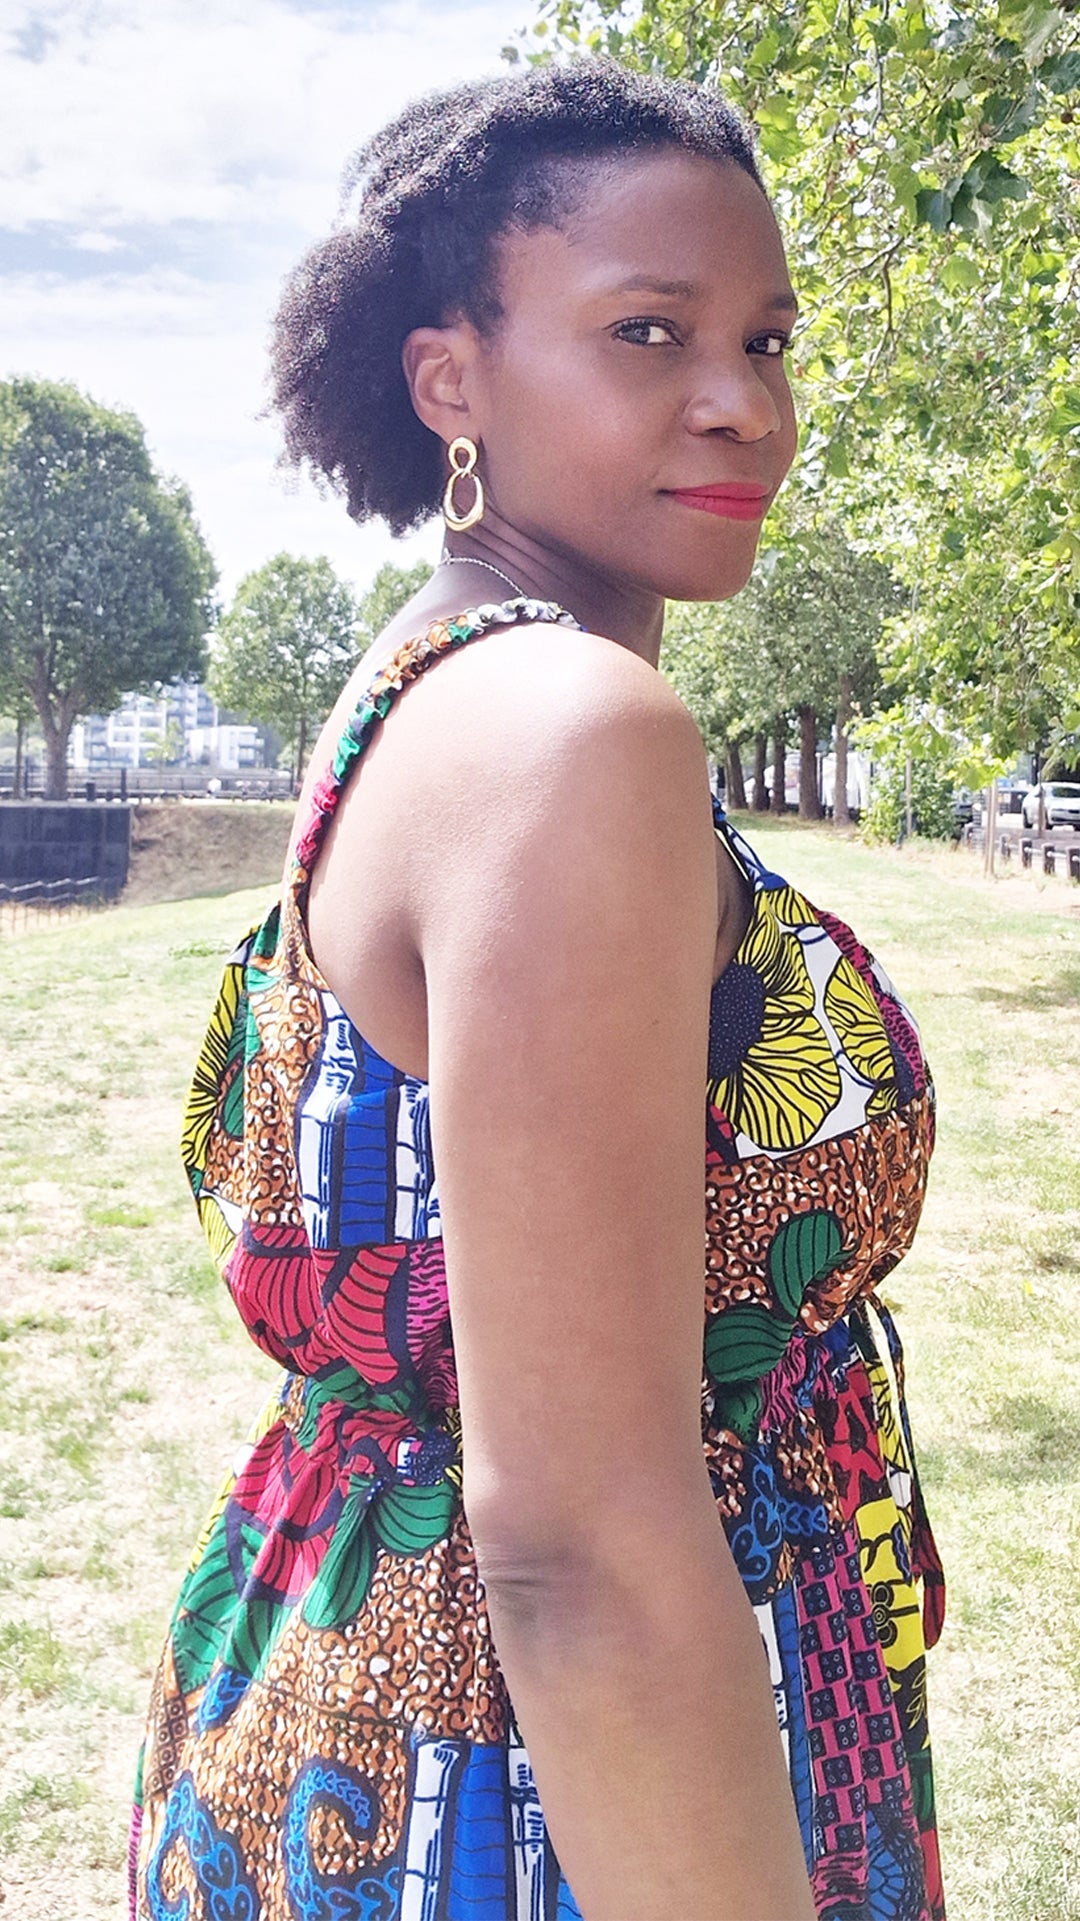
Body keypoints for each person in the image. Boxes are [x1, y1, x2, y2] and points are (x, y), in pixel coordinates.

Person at [131, 59, 945, 1921]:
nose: (745, 402)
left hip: (359, 1670)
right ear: (452, 381)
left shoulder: (415, 686)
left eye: (768, 335)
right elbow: (577, 1537)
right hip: (546, 1785)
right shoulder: (570, 729)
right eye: (649, 332)